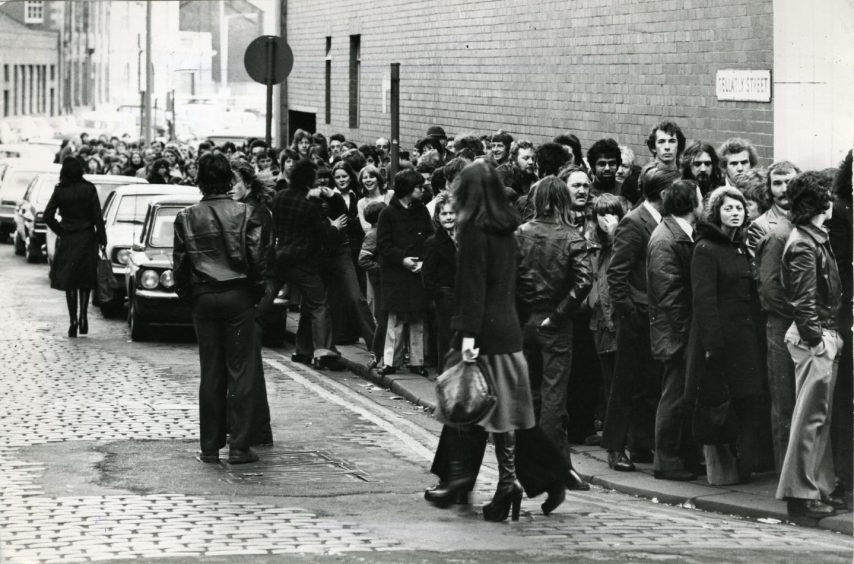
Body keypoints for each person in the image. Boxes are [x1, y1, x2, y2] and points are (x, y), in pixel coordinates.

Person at [425, 162, 568, 521]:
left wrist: (468, 342)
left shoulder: (473, 230)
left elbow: (472, 290)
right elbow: (516, 285)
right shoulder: (507, 231)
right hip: (507, 334)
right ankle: (507, 484)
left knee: (464, 405)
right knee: (502, 416)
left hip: (480, 337)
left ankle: (464, 479)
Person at [172, 152, 267, 465]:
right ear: (229, 179)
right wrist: (254, 293)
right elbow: (256, 261)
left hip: (203, 296)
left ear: (199, 180)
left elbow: (181, 265)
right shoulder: (246, 212)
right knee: (241, 372)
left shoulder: (186, 217)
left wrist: (191, 296)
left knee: (210, 371)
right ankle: (239, 447)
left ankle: (209, 448)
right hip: (237, 295)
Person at [515, 176, 593, 492]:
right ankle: (558, 469)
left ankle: (531, 468)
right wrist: (560, 314)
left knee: (530, 397)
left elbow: (512, 276)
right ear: (562, 200)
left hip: (526, 322)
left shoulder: (521, 234)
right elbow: (584, 281)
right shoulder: (572, 237)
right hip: (556, 325)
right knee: (553, 400)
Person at [602, 164, 679, 471]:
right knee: (625, 384)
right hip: (635, 317)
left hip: (654, 317)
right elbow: (616, 273)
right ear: (664, 193)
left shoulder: (665, 221)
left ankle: (641, 443)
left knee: (649, 383)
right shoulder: (634, 223)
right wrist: (629, 313)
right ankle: (615, 447)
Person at [777, 171, 844, 518]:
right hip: (813, 339)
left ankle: (816, 487)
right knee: (810, 420)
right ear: (820, 203)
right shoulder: (804, 242)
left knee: (819, 418)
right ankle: (800, 494)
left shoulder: (812, 237)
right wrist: (819, 342)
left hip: (818, 335)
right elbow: (802, 302)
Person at [686, 186, 764, 485]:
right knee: (716, 405)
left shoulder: (741, 247)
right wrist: (713, 346)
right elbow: (703, 301)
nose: (735, 213)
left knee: (747, 400)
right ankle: (721, 473)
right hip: (718, 342)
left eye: (739, 208)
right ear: (716, 212)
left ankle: (742, 468)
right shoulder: (706, 248)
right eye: (728, 208)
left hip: (743, 339)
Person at [646, 179, 704, 481]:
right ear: (691, 203)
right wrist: (685, 336)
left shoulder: (678, 234)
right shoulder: (666, 239)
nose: (703, 202)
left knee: (682, 395)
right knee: (674, 395)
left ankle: (680, 456)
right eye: (700, 197)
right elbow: (669, 296)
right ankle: (666, 460)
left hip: (678, 331)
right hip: (676, 333)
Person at [270, 159, 341, 369]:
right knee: (319, 305)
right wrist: (335, 227)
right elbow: (323, 235)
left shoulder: (279, 197)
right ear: (309, 180)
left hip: (280, 258)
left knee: (269, 300)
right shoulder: (310, 204)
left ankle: (302, 351)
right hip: (304, 262)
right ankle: (322, 352)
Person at [231, 160, 276, 447]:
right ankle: (255, 428)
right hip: (257, 292)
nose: (229, 188)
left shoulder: (253, 212)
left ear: (247, 183)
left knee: (247, 366)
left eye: (233, 182)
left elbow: (257, 260)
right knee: (249, 365)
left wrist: (253, 297)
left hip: (254, 294)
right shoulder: (252, 208)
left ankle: (254, 430)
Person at [376, 169, 434, 376]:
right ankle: (391, 361)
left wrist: (423, 261)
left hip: (417, 271)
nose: (422, 190)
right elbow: (383, 244)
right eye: (418, 187)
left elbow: (430, 238)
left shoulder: (422, 211)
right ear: (408, 189)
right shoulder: (388, 213)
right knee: (396, 318)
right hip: (396, 274)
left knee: (417, 317)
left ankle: (417, 362)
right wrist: (402, 259)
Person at [44, 157, 107, 338]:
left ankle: (72, 320)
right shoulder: (89, 189)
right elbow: (97, 217)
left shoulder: (60, 190)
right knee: (85, 280)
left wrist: (61, 230)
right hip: (87, 238)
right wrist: (102, 239)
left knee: (70, 281)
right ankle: (83, 317)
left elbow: (48, 215)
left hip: (69, 239)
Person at [585, 194, 625, 444]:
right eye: (602, 214)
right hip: (599, 318)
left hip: (618, 318)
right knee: (607, 378)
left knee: (620, 378)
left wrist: (616, 235)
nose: (607, 219)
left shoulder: (622, 240)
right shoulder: (590, 243)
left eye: (612, 213)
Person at [422, 191, 457, 373]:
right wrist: (438, 295)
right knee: (447, 338)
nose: (449, 217)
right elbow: (428, 275)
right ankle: (447, 376)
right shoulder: (433, 242)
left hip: (466, 296)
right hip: (446, 298)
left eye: (452, 213)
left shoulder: (467, 240)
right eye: (444, 213)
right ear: (438, 216)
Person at [746, 161, 800, 255]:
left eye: (789, 182)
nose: (784, 189)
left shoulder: (814, 216)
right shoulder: (760, 226)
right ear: (769, 189)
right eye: (777, 183)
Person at [356, 165, 389, 231]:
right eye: (365, 178)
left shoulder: (390, 194)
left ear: (378, 179)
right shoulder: (361, 203)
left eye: (372, 177)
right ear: (361, 181)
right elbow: (366, 229)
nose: (368, 180)